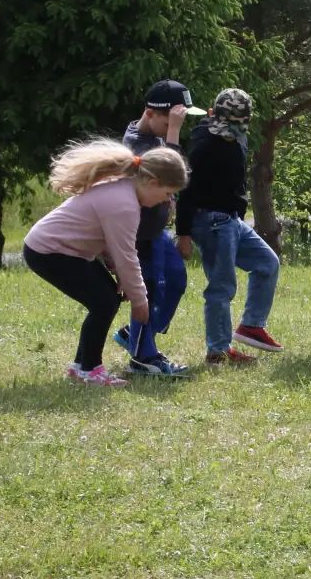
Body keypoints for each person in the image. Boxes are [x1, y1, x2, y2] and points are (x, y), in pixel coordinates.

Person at [22, 140, 189, 387]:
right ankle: (89, 370)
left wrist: (118, 274)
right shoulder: (124, 205)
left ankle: (82, 368)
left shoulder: (123, 190)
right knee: (104, 302)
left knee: (107, 299)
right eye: (167, 194)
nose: (166, 202)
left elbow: (112, 245)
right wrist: (140, 300)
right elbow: (127, 256)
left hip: (65, 251)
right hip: (49, 251)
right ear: (153, 183)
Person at [176, 88, 284, 367]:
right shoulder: (203, 144)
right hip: (210, 222)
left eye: (236, 126)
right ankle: (217, 352)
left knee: (267, 264)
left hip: (232, 220)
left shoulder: (239, 136)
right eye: (225, 125)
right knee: (222, 287)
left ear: (246, 120)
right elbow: (185, 191)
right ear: (212, 115)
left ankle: (251, 326)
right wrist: (184, 234)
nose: (229, 132)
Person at [113, 80, 205, 377]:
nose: (172, 127)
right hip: (140, 233)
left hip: (157, 230)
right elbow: (169, 167)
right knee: (149, 290)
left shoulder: (154, 135)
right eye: (169, 121)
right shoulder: (135, 143)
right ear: (150, 114)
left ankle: (136, 335)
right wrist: (174, 133)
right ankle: (143, 358)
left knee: (176, 279)